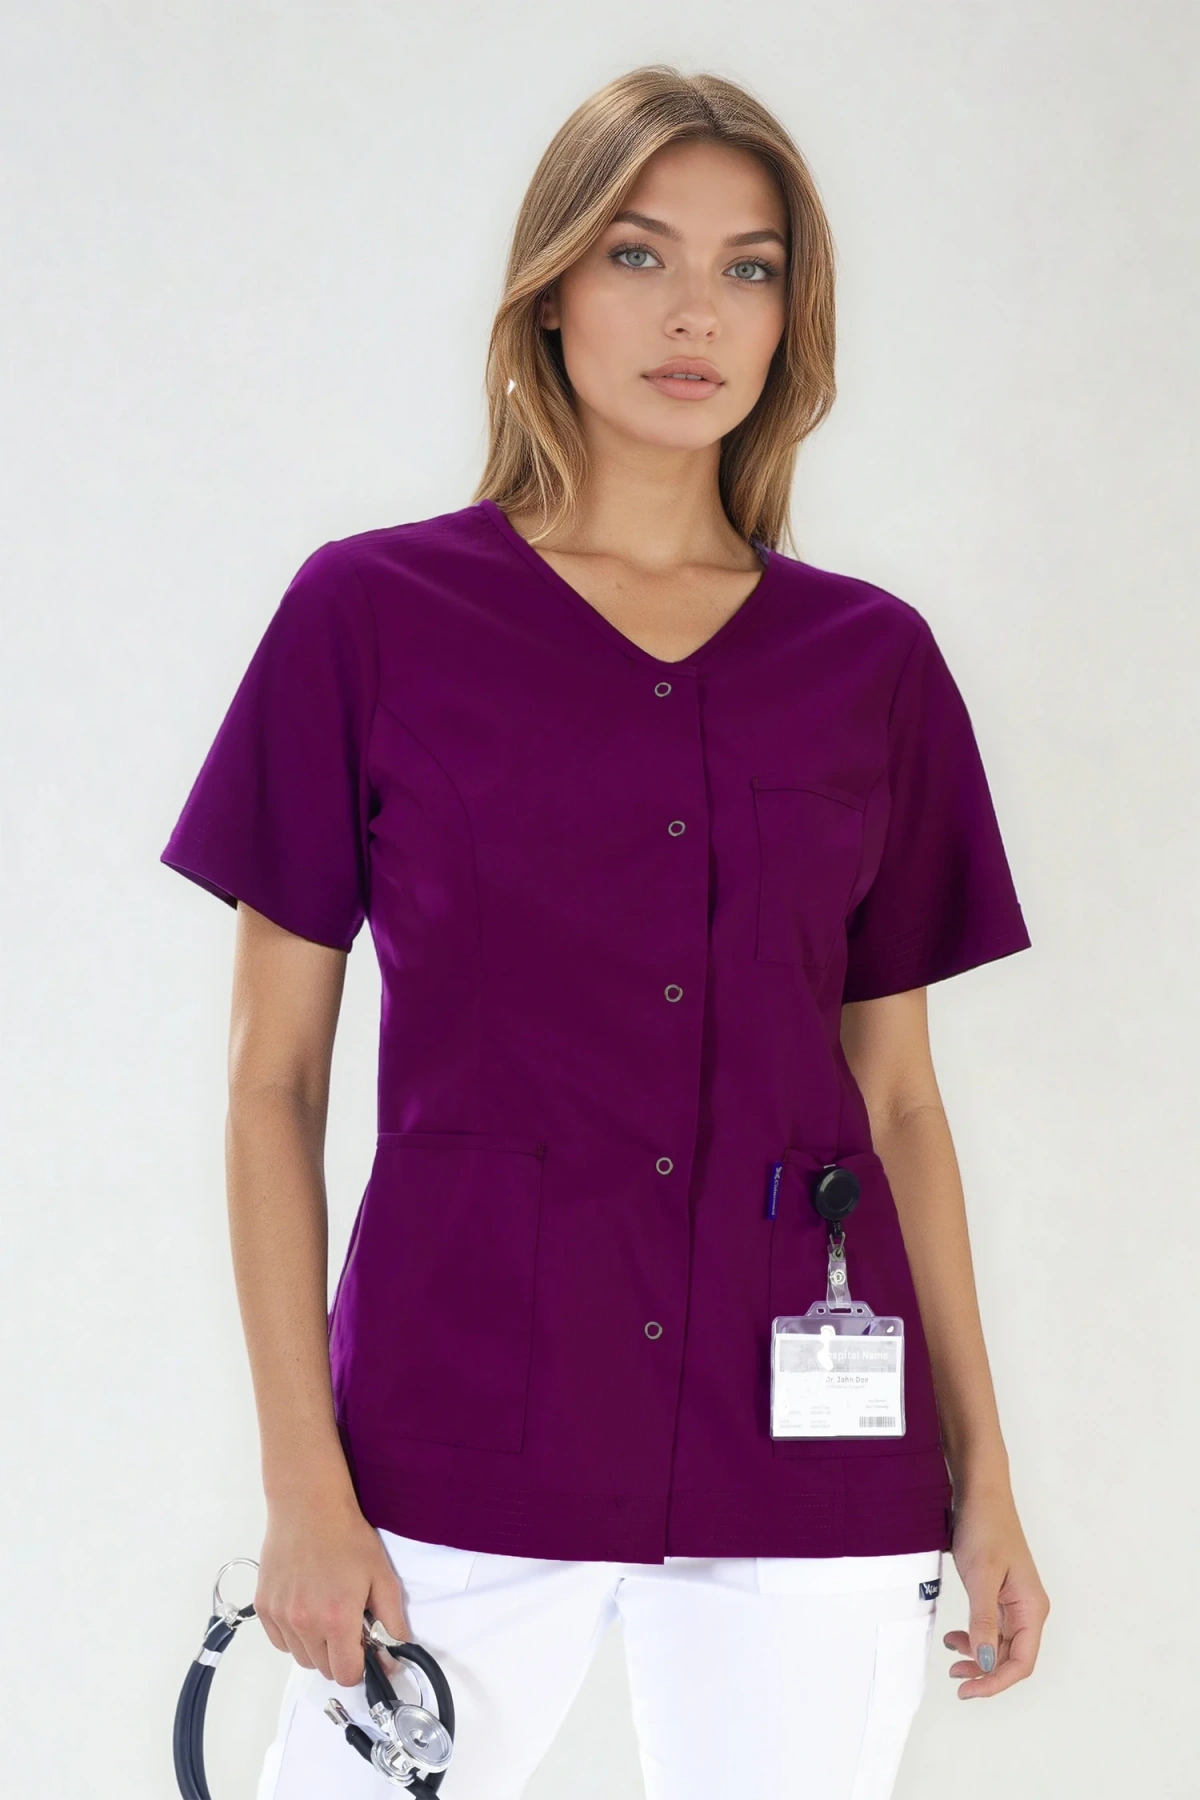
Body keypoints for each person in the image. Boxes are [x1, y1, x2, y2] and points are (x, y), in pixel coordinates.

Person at [160, 63, 1049, 1800]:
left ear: (792, 318)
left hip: (806, 1460)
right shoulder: (370, 617)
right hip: (450, 1436)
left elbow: (900, 1100)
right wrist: (302, 1484)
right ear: (550, 289)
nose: (694, 312)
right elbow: (273, 1084)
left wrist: (987, 1476)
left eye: (748, 266)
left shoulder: (870, 664)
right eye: (639, 255)